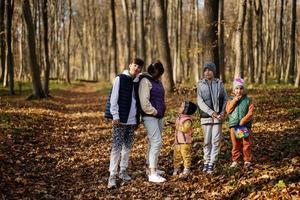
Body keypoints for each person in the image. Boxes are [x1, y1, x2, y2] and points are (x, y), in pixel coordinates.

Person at [104, 58, 144, 188]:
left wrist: (138, 119)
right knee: (116, 147)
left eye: (139, 67)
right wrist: (115, 115)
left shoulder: (138, 81)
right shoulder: (120, 79)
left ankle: (123, 171)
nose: (137, 68)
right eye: (135, 65)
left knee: (127, 147)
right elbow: (113, 98)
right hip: (120, 119)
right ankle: (112, 176)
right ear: (130, 65)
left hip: (132, 120)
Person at [138, 61, 166, 183]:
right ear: (154, 72)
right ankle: (153, 174)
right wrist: (154, 112)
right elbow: (144, 103)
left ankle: (150, 167)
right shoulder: (145, 81)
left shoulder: (158, 81)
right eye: (159, 73)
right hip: (150, 116)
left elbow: (160, 97)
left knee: (153, 142)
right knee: (156, 141)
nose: (160, 76)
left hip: (160, 115)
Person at [197, 62, 227, 173]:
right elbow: (200, 102)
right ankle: (206, 160)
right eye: (205, 70)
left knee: (216, 140)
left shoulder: (219, 83)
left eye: (209, 70)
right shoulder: (200, 85)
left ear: (213, 71)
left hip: (218, 117)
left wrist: (222, 112)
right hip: (206, 117)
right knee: (206, 141)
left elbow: (224, 99)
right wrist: (211, 112)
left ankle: (212, 162)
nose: (207, 72)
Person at [226, 77, 254, 168]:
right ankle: (236, 161)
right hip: (234, 125)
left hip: (243, 125)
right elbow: (228, 110)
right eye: (237, 88)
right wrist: (234, 101)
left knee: (246, 144)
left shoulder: (247, 100)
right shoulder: (231, 99)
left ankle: (247, 160)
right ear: (233, 90)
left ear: (244, 89)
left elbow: (250, 113)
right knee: (235, 144)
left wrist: (243, 120)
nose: (239, 90)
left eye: (241, 88)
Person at [172, 101, 198, 176]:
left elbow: (185, 129)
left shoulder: (187, 120)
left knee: (185, 156)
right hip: (178, 141)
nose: (180, 107)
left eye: (182, 106)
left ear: (186, 110)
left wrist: (176, 127)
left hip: (185, 142)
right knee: (176, 156)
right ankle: (176, 168)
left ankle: (186, 168)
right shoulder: (179, 117)